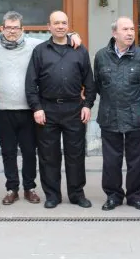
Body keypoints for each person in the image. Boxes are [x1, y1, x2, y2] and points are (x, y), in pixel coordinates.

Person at [0, 11, 81, 206]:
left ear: (23, 29)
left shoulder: (33, 45)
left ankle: (29, 187)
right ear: (2, 28)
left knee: (30, 151)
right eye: (8, 27)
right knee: (8, 152)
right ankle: (11, 188)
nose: (12, 31)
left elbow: (57, 37)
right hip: (4, 109)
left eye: (16, 28)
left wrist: (73, 35)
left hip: (29, 109)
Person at [25, 11, 96, 209]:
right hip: (47, 109)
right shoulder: (39, 51)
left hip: (74, 108)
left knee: (75, 154)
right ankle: (52, 195)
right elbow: (31, 83)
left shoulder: (79, 50)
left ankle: (76, 194)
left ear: (68, 26)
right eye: (56, 23)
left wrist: (88, 105)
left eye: (64, 23)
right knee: (49, 156)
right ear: (49, 26)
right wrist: (36, 108)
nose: (60, 26)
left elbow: (89, 82)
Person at [94, 17, 140, 211]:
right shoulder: (101, 56)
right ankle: (113, 195)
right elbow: (99, 85)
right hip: (110, 115)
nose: (129, 33)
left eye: (132, 29)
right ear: (114, 33)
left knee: (136, 160)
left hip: (136, 116)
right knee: (111, 160)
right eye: (125, 29)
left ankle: (135, 195)